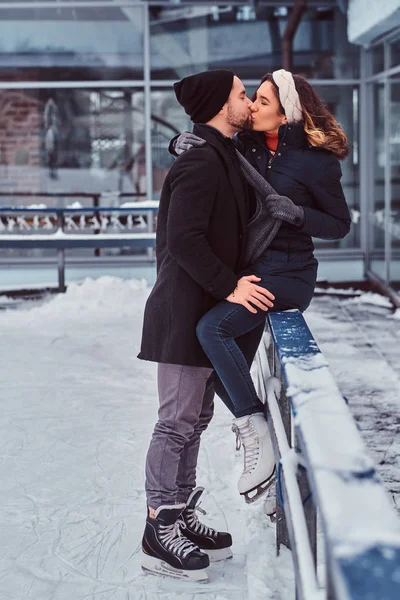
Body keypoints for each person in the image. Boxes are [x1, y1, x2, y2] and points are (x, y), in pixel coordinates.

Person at [173, 69, 351, 509]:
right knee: (216, 369)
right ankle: (268, 444)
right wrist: (181, 145)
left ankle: (256, 430)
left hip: (288, 275)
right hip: (252, 273)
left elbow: (339, 224)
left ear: (287, 112)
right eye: (252, 98)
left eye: (263, 101)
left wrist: (297, 213)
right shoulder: (245, 148)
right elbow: (212, 156)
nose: (253, 106)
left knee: (212, 332)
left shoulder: (315, 161)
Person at [137, 69, 275, 582]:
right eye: (242, 94)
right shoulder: (201, 161)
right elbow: (184, 239)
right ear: (221, 103)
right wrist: (231, 286)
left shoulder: (221, 155)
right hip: (182, 311)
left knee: (193, 422)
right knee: (175, 422)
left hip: (200, 311)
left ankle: (181, 514)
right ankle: (158, 526)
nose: (247, 101)